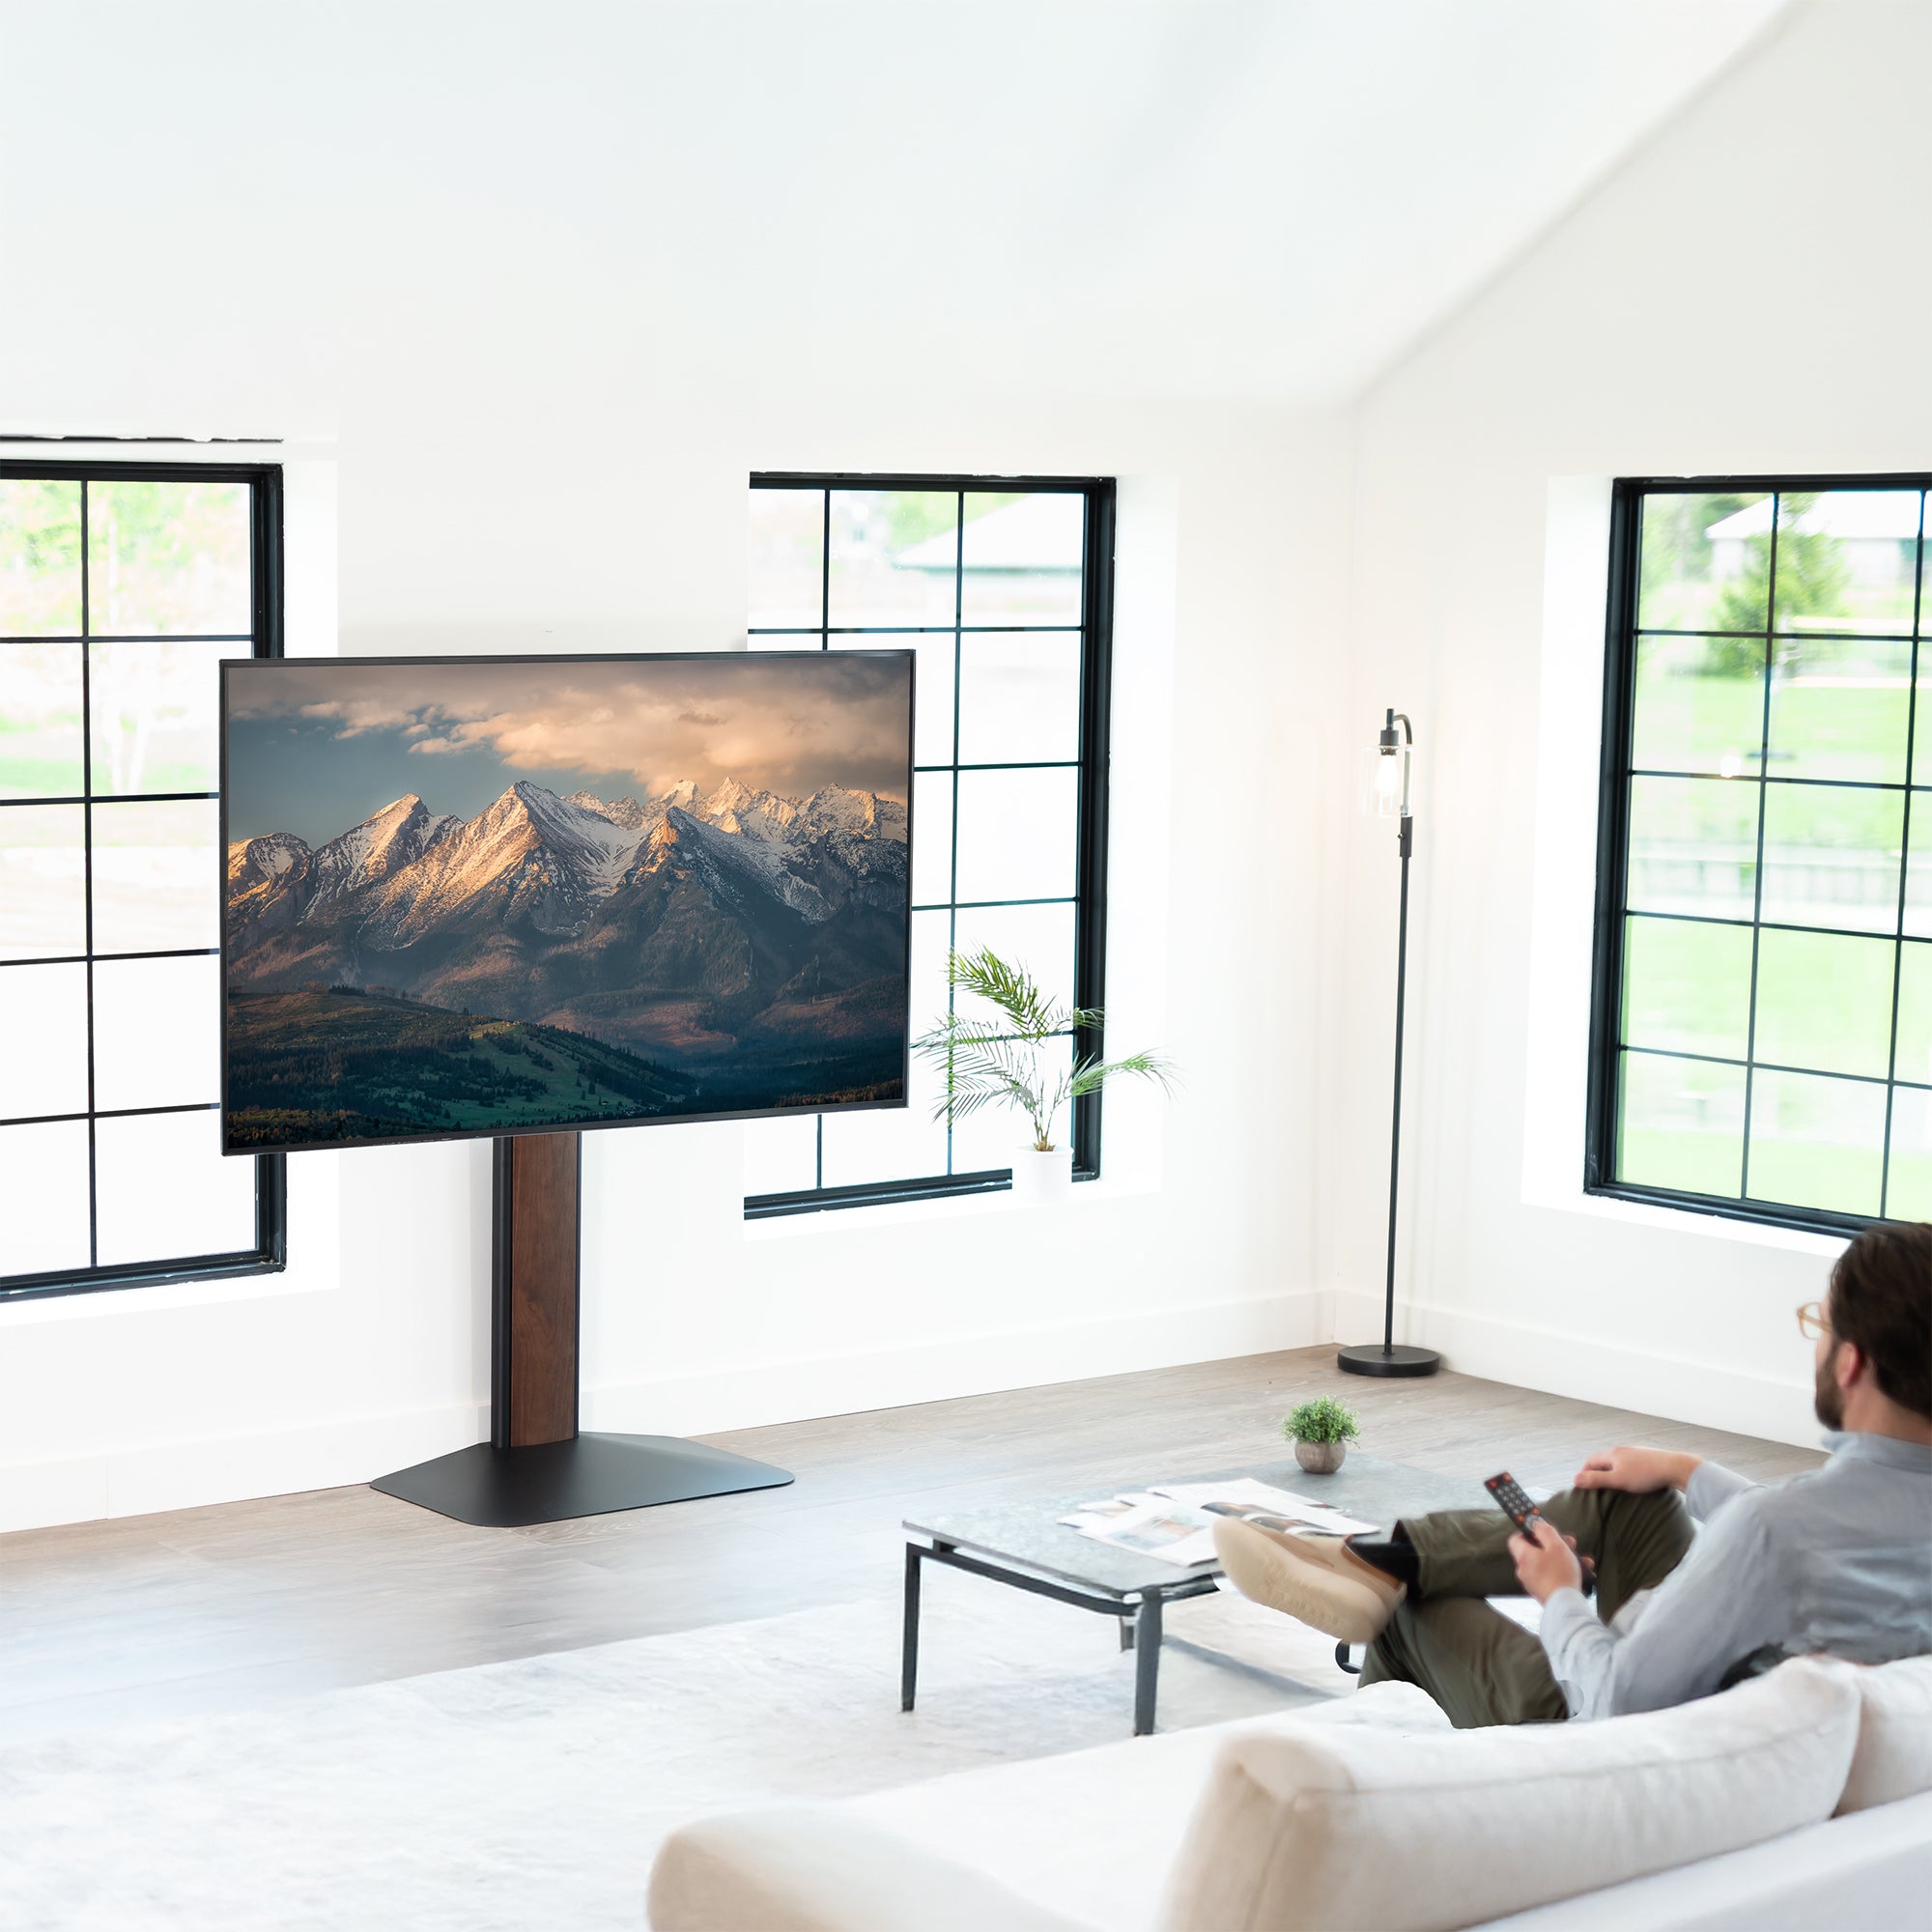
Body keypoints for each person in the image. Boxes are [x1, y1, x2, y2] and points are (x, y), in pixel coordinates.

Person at [1215, 1220, 1932, 1727]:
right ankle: (1377, 1559)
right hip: (1700, 1663)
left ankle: (1382, 1638)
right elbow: (1817, 1528)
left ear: (1851, 1362)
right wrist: (1687, 1469)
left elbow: (1614, 1699)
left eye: (1821, 1325)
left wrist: (1559, 1596)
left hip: (1586, 1704)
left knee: (1408, 1610)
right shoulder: (1811, 1521)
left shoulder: (1775, 1532)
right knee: (1631, 1496)